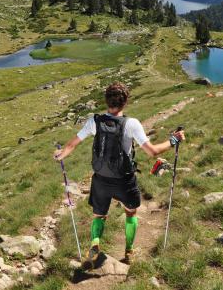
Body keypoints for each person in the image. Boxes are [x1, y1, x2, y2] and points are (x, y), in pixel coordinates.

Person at [54, 82, 185, 268]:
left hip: (100, 179)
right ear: (125, 102)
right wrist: (173, 140)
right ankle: (129, 251)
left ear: (106, 101)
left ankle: (95, 243)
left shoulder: (94, 121)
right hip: (124, 179)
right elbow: (153, 152)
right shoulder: (131, 124)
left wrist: (60, 155)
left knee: (99, 215)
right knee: (131, 213)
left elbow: (72, 144)